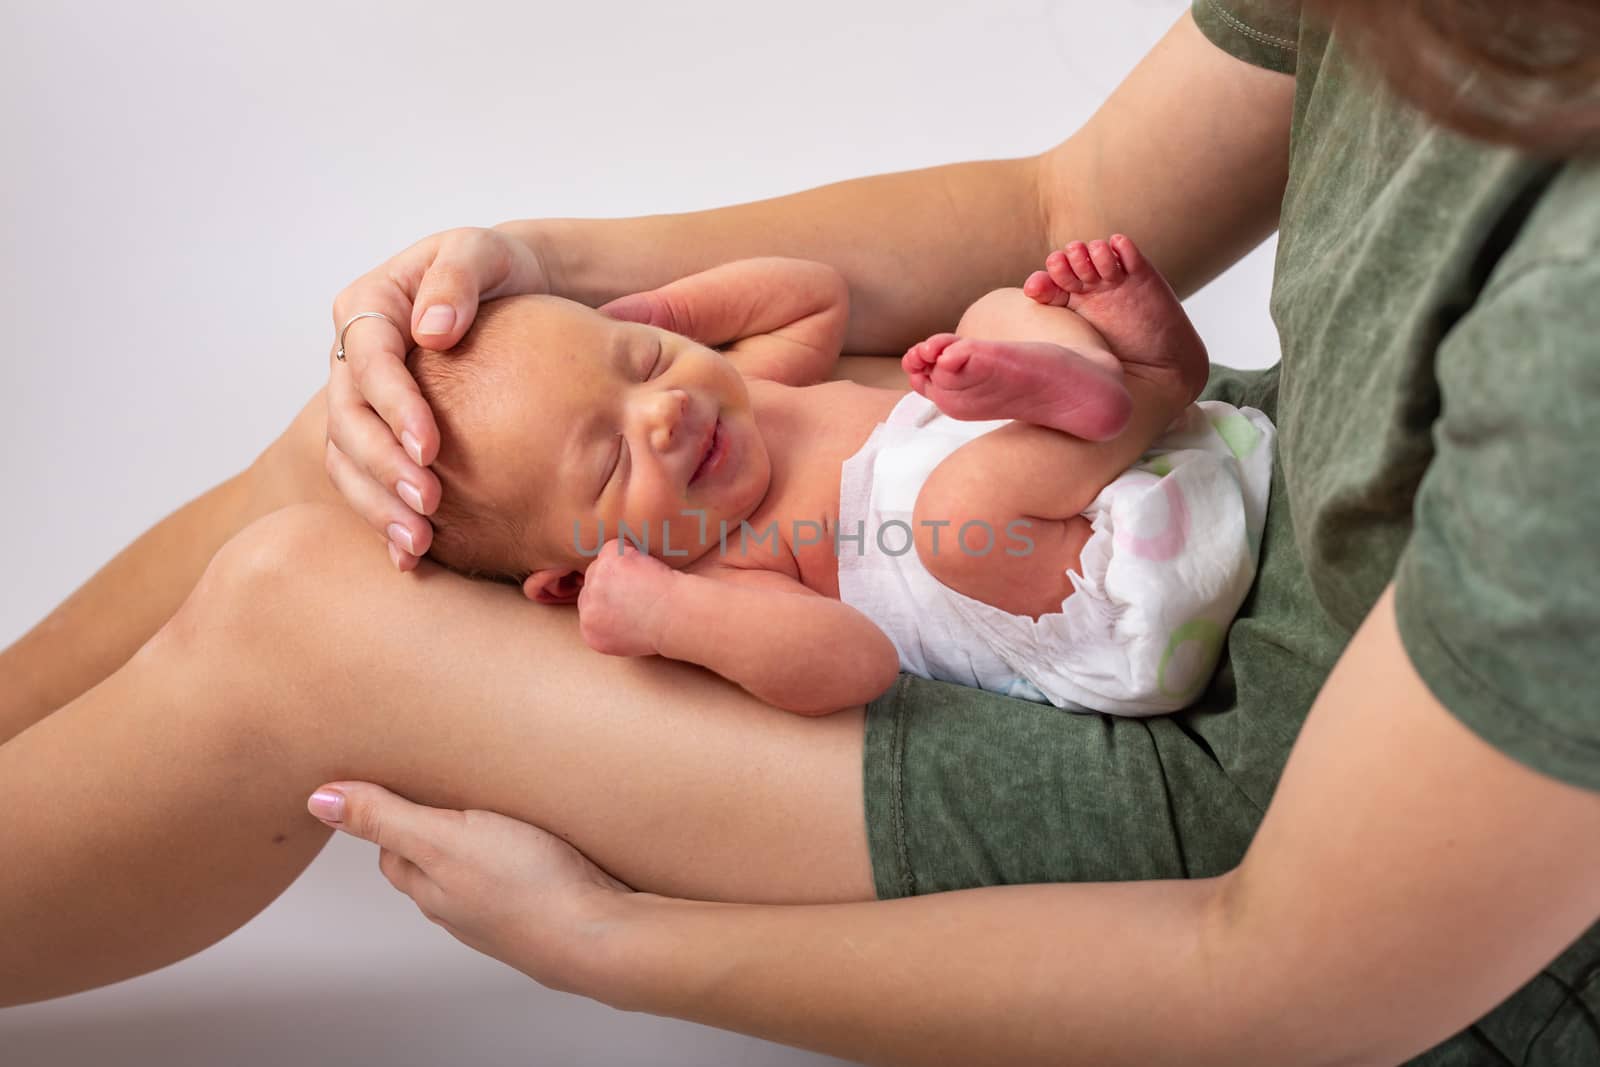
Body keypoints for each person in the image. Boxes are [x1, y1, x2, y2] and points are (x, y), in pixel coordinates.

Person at [2, 2, 1597, 1063]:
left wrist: (615, 941)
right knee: (387, 448)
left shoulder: (1575, 344)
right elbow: (1071, 204)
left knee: (305, 612)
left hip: (1291, 813)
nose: (667, 410)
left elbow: (1297, 977)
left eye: (647, 370)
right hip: (1215, 479)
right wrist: (519, 276)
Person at [409, 242, 1269, 716]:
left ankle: (1109, 381)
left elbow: (811, 296)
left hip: (1144, 462)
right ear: (578, 575)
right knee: (955, 515)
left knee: (990, 311)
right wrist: (670, 616)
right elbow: (853, 665)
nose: (665, 409)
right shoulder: (714, 570)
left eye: (643, 361)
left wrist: (667, 312)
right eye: (613, 458)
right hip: (1118, 591)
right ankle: (1146, 381)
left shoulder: (757, 396)